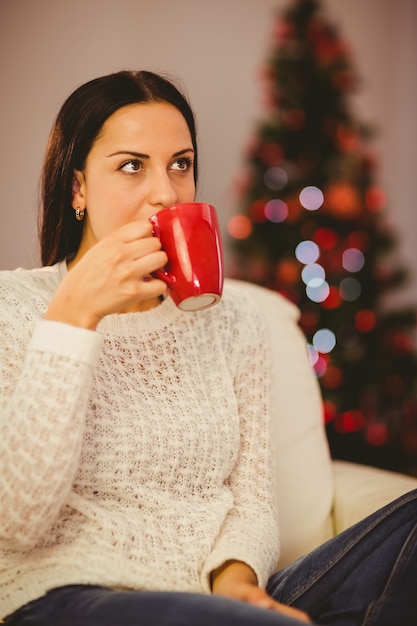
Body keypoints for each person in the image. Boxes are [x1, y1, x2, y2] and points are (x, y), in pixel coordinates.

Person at [0, 69, 416, 626]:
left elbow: (252, 498)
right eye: (131, 166)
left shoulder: (237, 318)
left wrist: (239, 584)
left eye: (181, 164)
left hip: (224, 602)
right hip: (75, 596)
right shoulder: (16, 308)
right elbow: (18, 520)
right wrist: (74, 315)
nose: (166, 194)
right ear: (77, 187)